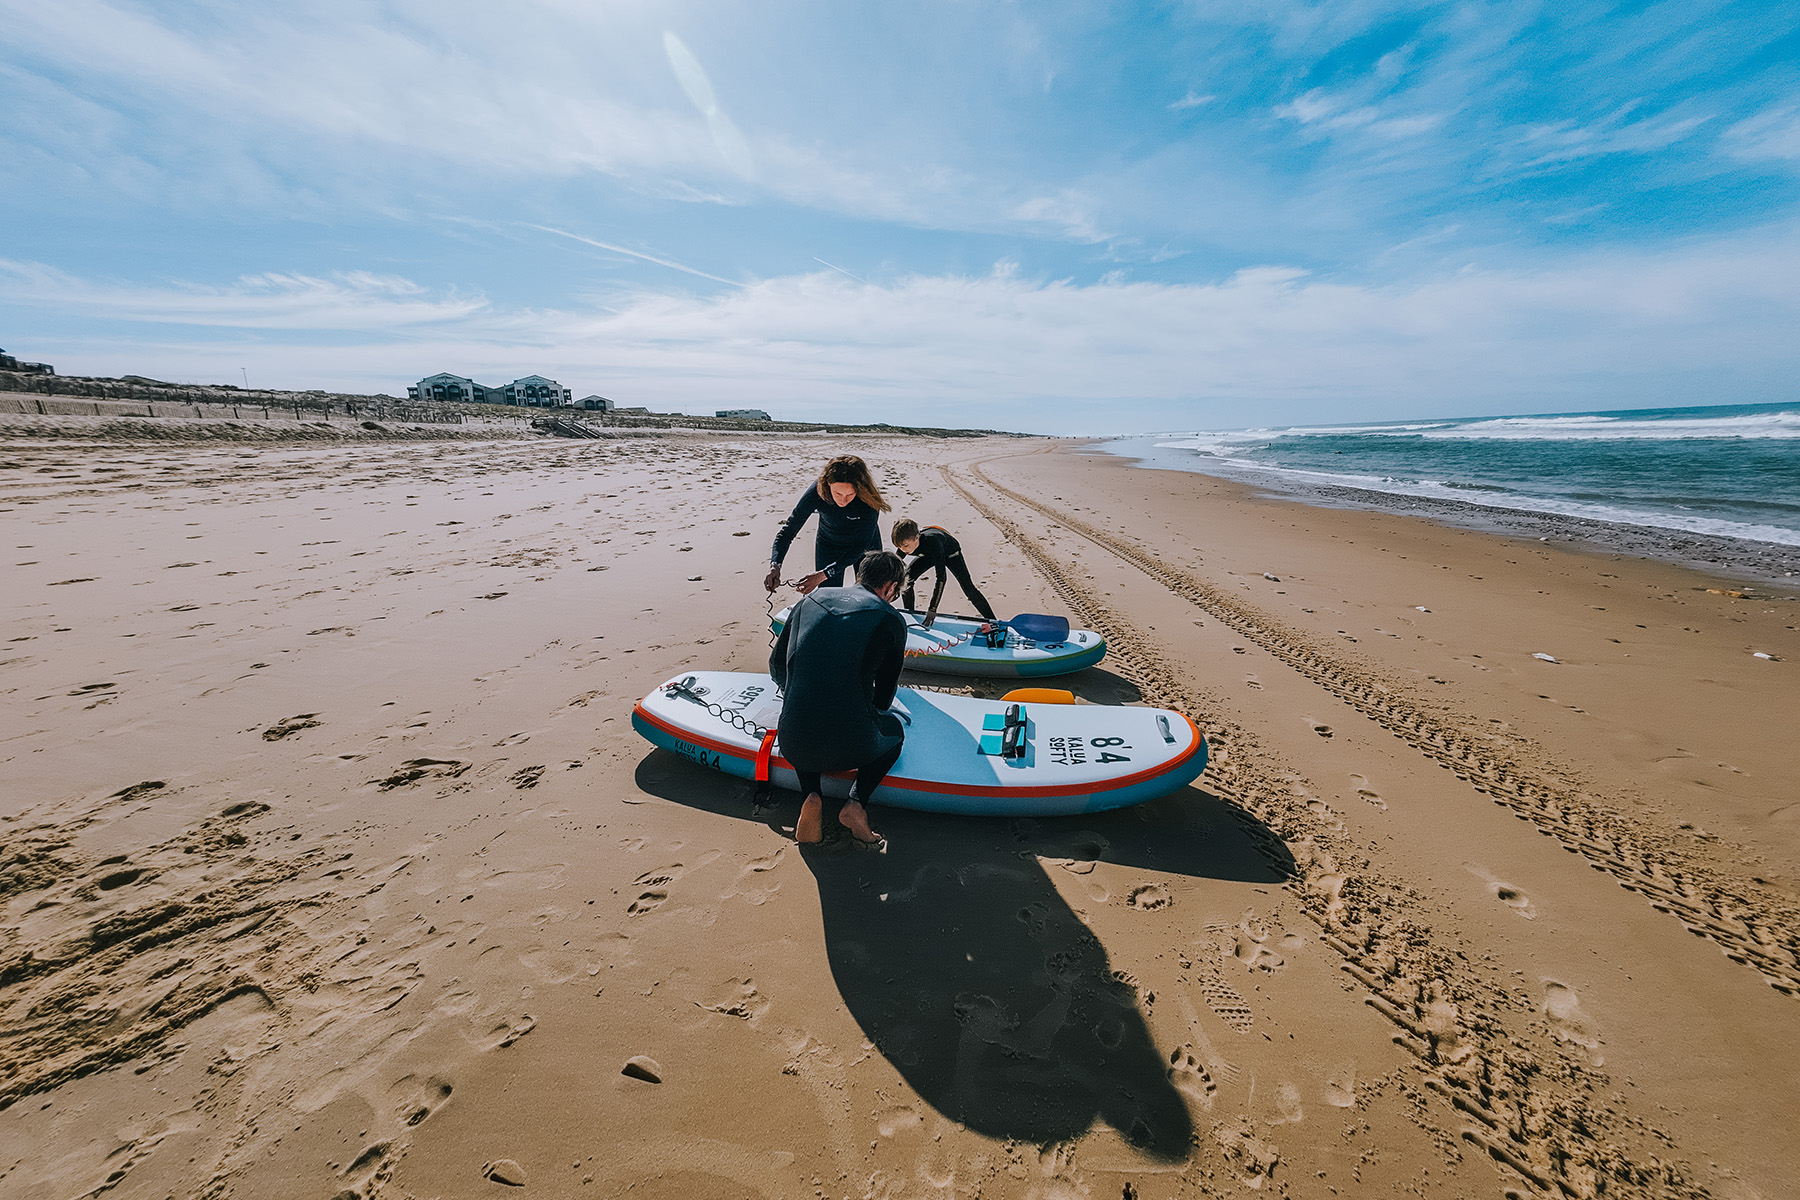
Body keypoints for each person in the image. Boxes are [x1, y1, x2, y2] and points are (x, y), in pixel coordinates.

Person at [769, 550, 909, 845]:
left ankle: (811, 797)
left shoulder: (809, 600)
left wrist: (798, 693)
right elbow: (883, 699)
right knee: (894, 732)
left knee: (807, 716)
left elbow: (776, 666)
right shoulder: (890, 619)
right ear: (891, 587)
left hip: (793, 741)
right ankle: (856, 805)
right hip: (853, 747)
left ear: (861, 577)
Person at [764, 456, 890, 595]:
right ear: (827, 485)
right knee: (828, 597)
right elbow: (788, 531)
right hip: (829, 544)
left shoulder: (869, 499)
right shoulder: (817, 493)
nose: (843, 500)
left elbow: (860, 547)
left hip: (865, 545)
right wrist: (775, 565)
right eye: (837, 493)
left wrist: (823, 574)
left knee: (871, 596)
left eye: (850, 494)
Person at [892, 519, 997, 627]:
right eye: (899, 547)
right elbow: (894, 563)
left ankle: (993, 621)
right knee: (907, 580)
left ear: (917, 537)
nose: (903, 550)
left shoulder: (933, 542)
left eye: (905, 546)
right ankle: (910, 615)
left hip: (950, 553)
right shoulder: (904, 545)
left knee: (968, 588)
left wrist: (932, 609)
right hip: (930, 555)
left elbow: (941, 579)